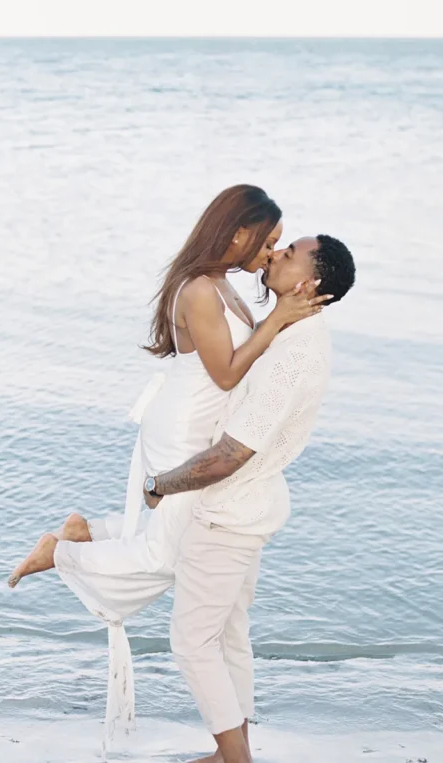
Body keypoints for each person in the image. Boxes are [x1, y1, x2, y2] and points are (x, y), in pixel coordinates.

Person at [6, 185, 330, 744]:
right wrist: (278, 319)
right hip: (183, 428)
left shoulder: (223, 286)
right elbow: (228, 374)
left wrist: (279, 321)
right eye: (268, 241)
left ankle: (90, 531)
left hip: (198, 423)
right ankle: (61, 552)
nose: (269, 254)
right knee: (163, 558)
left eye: (280, 245)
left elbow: (240, 369)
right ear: (237, 234)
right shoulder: (201, 290)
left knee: (171, 546)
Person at [143, 234, 356, 763]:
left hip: (229, 514)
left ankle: (235, 759)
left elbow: (231, 454)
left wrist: (159, 485)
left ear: (309, 282)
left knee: (193, 642)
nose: (274, 256)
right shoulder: (296, 331)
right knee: (229, 636)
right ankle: (232, 753)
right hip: (251, 505)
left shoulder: (293, 358)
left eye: (288, 255)